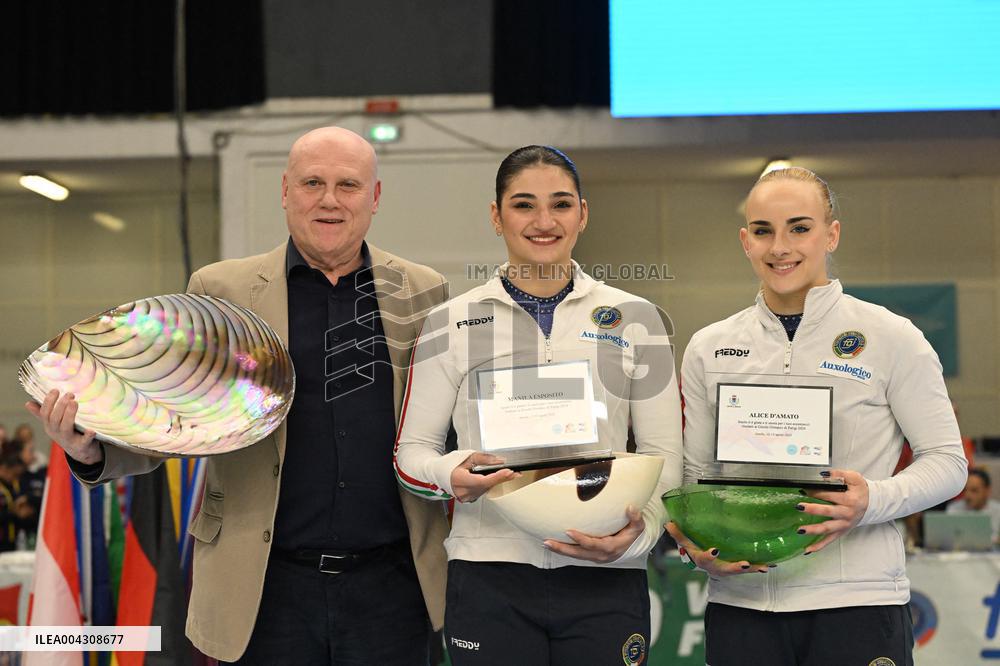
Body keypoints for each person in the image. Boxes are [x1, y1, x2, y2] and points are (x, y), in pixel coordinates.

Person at [26, 127, 451, 664]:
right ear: (285, 190)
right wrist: (94, 451)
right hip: (263, 589)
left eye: (348, 185)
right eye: (312, 182)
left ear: (375, 196)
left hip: (394, 589)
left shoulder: (423, 290)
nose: (329, 200)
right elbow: (176, 420)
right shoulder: (221, 290)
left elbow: (442, 423)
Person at [394, 145, 682, 665]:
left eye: (561, 204)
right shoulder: (449, 323)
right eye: (524, 204)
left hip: (605, 572)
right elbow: (412, 452)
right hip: (488, 573)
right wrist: (451, 471)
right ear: (496, 215)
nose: (544, 221)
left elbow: (666, 454)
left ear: (583, 214)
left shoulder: (639, 319)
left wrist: (639, 538)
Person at [668, 166, 968, 666]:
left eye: (799, 228)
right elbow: (697, 479)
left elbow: (948, 463)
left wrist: (870, 499)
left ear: (832, 234)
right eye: (763, 231)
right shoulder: (709, 347)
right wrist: (694, 546)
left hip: (857, 602)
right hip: (742, 603)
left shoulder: (892, 337)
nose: (780, 246)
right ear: (746, 241)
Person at [946, 468, 1000, 542]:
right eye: (965, 490)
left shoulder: (997, 510)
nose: (968, 495)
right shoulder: (954, 508)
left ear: (987, 491)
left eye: (974, 490)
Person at [0, 447, 32, 552]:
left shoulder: (13, 486)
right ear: (3, 469)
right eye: (14, 474)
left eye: (18, 476)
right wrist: (14, 513)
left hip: (13, 541)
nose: (16, 478)